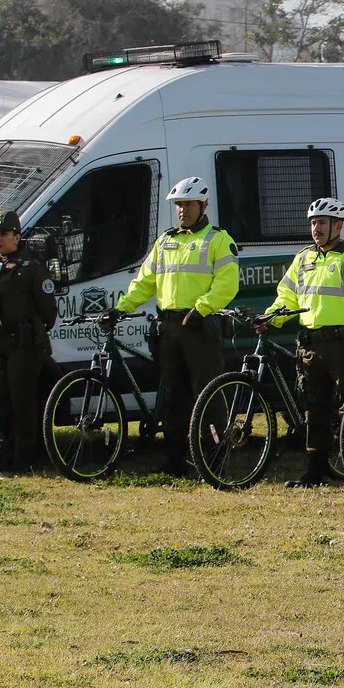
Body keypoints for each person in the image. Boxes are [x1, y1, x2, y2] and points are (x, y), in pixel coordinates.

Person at [109, 177, 239, 476]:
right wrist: (121, 308)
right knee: (174, 394)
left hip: (199, 326)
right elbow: (144, 282)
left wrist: (202, 309)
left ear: (203, 206)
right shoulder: (165, 241)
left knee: (208, 393)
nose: (182, 210)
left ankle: (217, 456)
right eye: (179, 205)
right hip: (169, 327)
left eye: (188, 204)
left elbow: (227, 283)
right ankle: (176, 457)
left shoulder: (218, 239)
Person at [263, 198, 344, 487]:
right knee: (315, 409)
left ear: (338, 225)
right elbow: (287, 297)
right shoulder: (303, 259)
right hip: (309, 345)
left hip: (343, 344)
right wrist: (270, 318)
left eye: (321, 223)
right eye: (313, 223)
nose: (315, 229)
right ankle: (316, 469)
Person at [0, 210, 57, 472]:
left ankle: (24, 460)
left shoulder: (30, 269)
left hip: (23, 346)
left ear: (17, 237)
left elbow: (48, 310)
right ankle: (7, 459)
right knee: (4, 402)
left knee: (22, 403)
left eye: (4, 234)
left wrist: (32, 333)